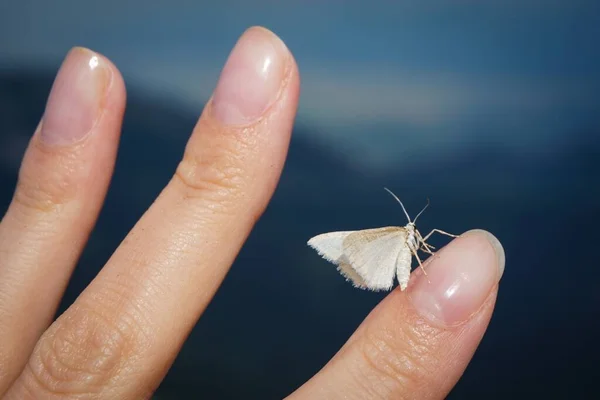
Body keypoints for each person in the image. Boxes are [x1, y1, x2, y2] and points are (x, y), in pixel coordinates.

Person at [0, 26, 504, 399]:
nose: (420, 234)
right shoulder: (405, 233)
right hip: (385, 259)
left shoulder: (410, 236)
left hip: (388, 262)